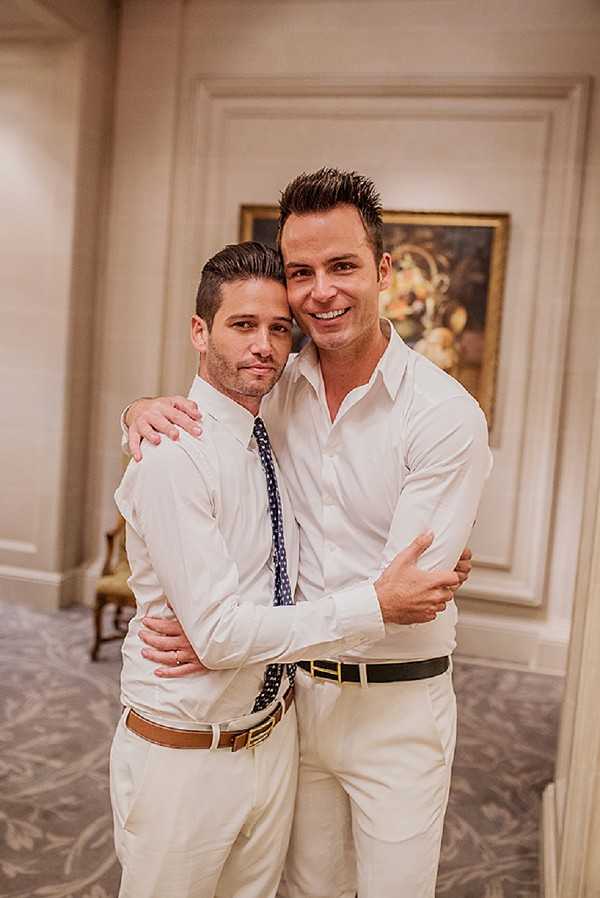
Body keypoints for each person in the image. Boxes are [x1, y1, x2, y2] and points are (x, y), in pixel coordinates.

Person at [123, 170, 491, 898]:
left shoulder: (443, 415)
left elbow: (401, 601)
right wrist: (137, 412)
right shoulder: (274, 386)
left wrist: (227, 635)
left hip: (397, 706)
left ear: (383, 271)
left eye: (343, 266)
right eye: (302, 272)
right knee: (302, 891)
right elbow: (201, 436)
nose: (321, 290)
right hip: (292, 702)